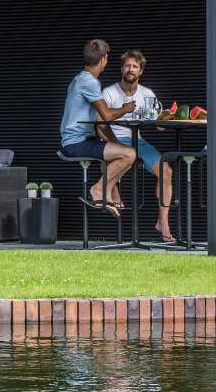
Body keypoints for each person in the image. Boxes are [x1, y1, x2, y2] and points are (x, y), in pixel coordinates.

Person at [98, 50, 175, 243]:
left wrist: (164, 119)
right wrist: (112, 142)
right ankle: (111, 188)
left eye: (134, 66)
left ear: (140, 71)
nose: (130, 69)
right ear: (122, 69)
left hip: (138, 141)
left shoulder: (147, 94)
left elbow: (159, 126)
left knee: (166, 171)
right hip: (114, 138)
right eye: (127, 66)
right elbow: (99, 124)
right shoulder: (109, 92)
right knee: (108, 155)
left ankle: (163, 223)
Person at [59, 38, 138, 214]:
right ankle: (98, 190)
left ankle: (110, 193)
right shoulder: (89, 82)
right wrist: (126, 108)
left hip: (80, 140)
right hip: (76, 143)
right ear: (103, 59)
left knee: (124, 152)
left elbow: (99, 123)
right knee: (130, 153)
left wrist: (116, 143)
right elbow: (107, 115)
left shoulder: (81, 79)